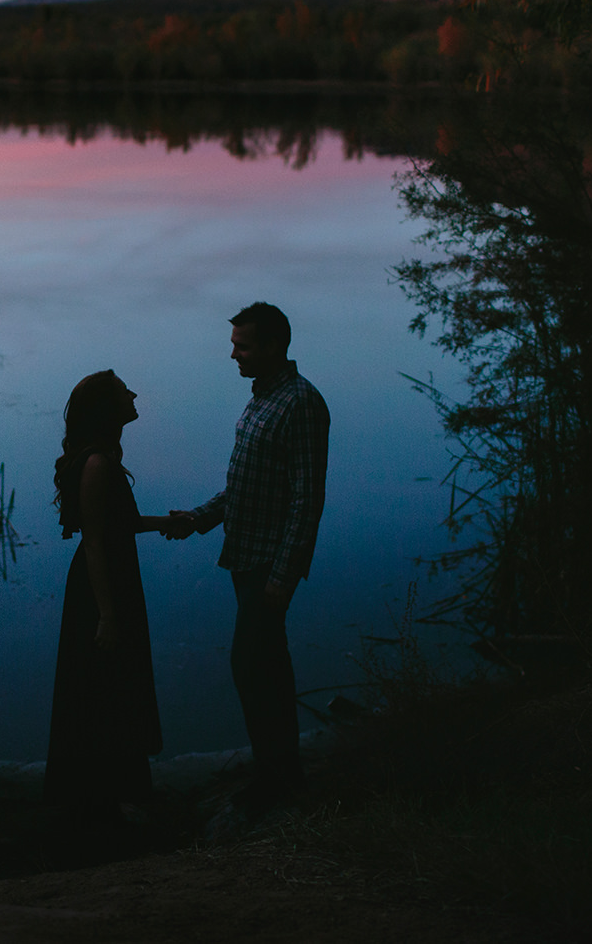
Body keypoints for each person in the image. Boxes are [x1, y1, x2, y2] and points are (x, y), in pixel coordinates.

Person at [165, 302, 329, 810]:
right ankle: (282, 774)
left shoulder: (300, 404)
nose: (233, 354)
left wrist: (283, 576)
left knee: (254, 667)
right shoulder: (264, 396)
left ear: (275, 347)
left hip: (267, 565)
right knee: (264, 667)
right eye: (235, 343)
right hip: (246, 555)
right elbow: (247, 483)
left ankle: (278, 780)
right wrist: (200, 517)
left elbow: (306, 497)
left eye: (243, 345)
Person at [46, 370, 175, 822]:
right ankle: (106, 799)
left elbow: (123, 524)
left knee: (115, 681)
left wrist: (174, 521)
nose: (134, 393)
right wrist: (106, 613)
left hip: (114, 579)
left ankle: (117, 793)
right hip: (103, 585)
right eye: (124, 390)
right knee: (105, 684)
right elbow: (97, 540)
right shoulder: (97, 463)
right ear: (107, 408)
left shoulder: (103, 458)